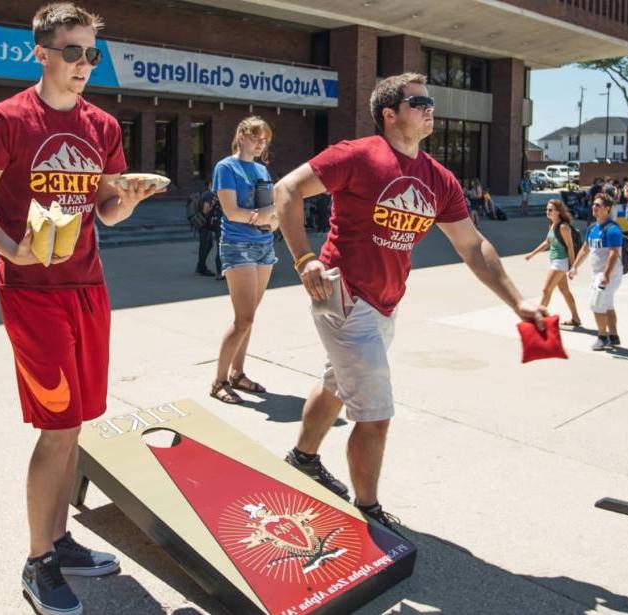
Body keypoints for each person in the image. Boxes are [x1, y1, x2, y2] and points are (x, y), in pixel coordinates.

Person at [0, 5, 163, 615]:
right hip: (30, 292)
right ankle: (37, 562)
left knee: (78, 420)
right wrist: (12, 250)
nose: (84, 64)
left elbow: (107, 210)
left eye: (92, 53)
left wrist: (131, 197)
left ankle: (61, 541)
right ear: (40, 52)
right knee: (57, 426)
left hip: (87, 287)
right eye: (72, 51)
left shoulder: (101, 125)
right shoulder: (6, 120)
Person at [273, 72, 545, 528]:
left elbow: (473, 245)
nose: (430, 108)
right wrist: (304, 259)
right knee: (376, 415)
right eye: (420, 102)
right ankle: (368, 512)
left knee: (337, 383)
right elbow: (286, 190)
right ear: (390, 113)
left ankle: (302, 457)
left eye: (430, 102)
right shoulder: (357, 155)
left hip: (386, 303)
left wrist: (517, 302)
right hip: (343, 297)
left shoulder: (438, 178)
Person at [208, 116, 279, 404]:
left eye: (265, 140)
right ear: (241, 135)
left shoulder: (261, 169)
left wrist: (271, 220)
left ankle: (238, 374)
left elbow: (272, 210)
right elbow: (230, 211)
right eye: (256, 137)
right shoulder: (226, 167)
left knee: (249, 319)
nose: (261, 143)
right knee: (243, 319)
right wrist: (263, 217)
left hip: (265, 245)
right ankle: (219, 381)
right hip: (238, 245)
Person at [569, 193, 623, 351]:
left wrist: (606, 274)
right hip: (598, 273)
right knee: (607, 305)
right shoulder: (592, 228)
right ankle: (613, 336)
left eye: (598, 205)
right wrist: (574, 267)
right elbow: (585, 249)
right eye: (593, 204)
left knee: (596, 304)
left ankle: (601, 337)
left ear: (607, 209)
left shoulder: (612, 229)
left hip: (609, 273)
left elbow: (613, 253)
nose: (594, 207)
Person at [525, 199, 582, 327]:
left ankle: (538, 319)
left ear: (558, 212)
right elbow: (547, 242)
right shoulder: (552, 224)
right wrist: (532, 254)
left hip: (560, 262)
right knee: (565, 291)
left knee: (546, 290)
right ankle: (576, 318)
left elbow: (570, 247)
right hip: (555, 261)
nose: (548, 211)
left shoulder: (563, 227)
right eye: (547, 209)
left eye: (550, 210)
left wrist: (573, 267)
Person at [194, 179, 221, 277]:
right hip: (205, 224)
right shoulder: (209, 195)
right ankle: (201, 267)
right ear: (210, 185)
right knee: (205, 245)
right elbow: (205, 210)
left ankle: (201, 266)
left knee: (207, 244)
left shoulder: (206, 194)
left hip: (203, 223)